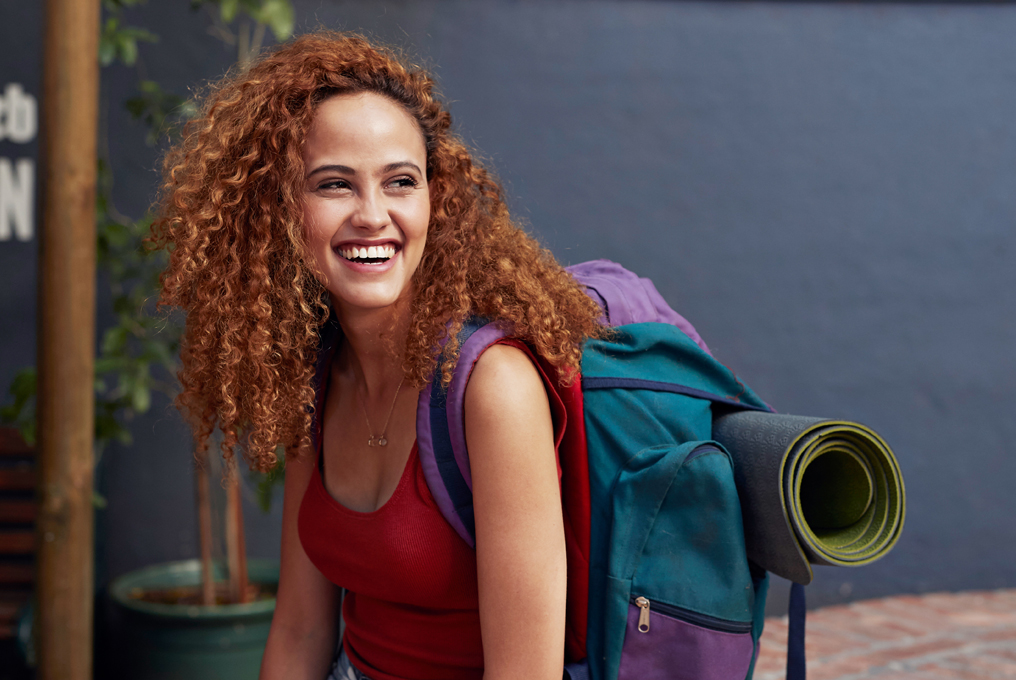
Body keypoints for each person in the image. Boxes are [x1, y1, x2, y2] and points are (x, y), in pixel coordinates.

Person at [151, 32, 605, 680]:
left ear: (434, 200)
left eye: (400, 182)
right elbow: (302, 629)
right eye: (335, 184)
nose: (373, 215)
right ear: (278, 210)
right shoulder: (314, 377)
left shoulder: (493, 387)